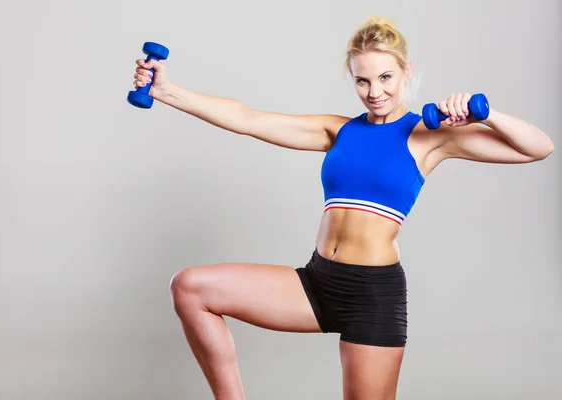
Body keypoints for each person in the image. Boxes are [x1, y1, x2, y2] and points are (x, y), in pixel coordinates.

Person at [131, 16, 554, 400]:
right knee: (190, 287)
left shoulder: (431, 135)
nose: (376, 92)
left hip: (372, 296)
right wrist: (166, 91)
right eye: (363, 81)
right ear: (352, 80)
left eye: (386, 77)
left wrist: (486, 113)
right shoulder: (338, 130)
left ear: (406, 72)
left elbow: (538, 148)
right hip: (316, 283)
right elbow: (247, 118)